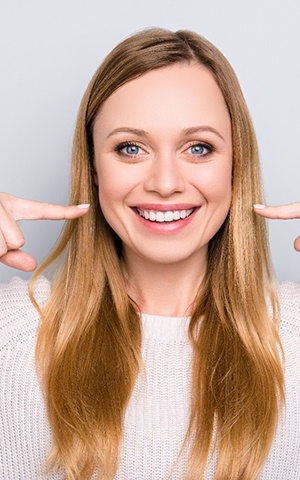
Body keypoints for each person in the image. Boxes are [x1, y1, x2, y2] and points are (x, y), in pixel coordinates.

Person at [0, 28, 300, 480]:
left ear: (237, 164)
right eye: (130, 148)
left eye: (198, 148)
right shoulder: (13, 333)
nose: (165, 182)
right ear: (95, 168)